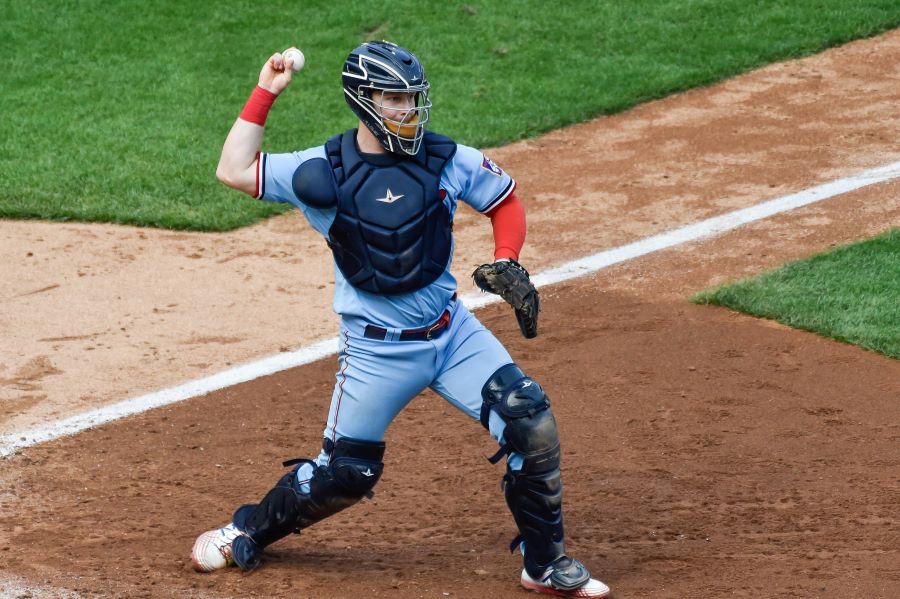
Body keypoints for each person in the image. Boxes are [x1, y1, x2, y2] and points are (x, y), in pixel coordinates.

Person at [193, 40, 609, 597]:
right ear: (364, 102)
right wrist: (267, 89)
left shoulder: (446, 158)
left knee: (530, 421)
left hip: (452, 333)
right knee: (346, 473)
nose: (408, 111)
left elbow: (504, 201)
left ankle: (545, 564)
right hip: (376, 350)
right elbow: (233, 169)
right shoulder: (326, 172)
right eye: (395, 100)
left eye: (412, 99)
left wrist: (508, 258)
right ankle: (246, 528)